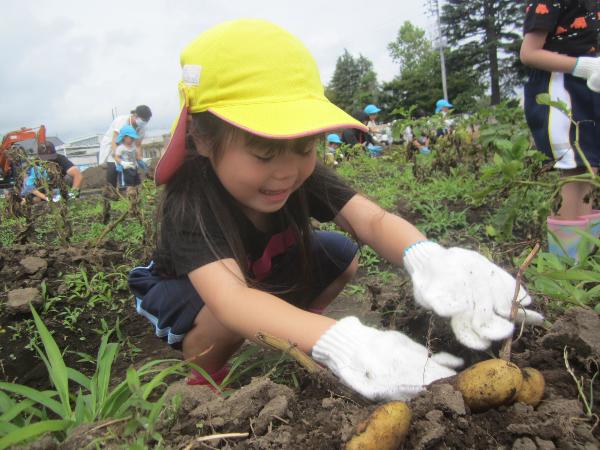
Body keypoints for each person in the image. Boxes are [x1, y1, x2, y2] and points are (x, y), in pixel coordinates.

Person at [128, 19, 543, 401]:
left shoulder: (296, 173)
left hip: (256, 272)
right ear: (202, 139)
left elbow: (372, 221)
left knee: (339, 254)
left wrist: (431, 258)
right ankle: (206, 376)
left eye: (305, 147)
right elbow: (232, 300)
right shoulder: (191, 202)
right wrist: (341, 340)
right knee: (229, 314)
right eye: (264, 152)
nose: (287, 172)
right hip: (195, 296)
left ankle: (293, 332)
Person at [520, 0, 600, 259]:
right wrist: (582, 66)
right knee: (572, 169)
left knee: (590, 167)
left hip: (592, 86)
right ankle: (566, 264)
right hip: (562, 87)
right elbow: (529, 53)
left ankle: (584, 260)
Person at [98, 105, 152, 192]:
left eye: (146, 121)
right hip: (113, 146)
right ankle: (111, 194)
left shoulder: (141, 128)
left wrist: (140, 159)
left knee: (130, 173)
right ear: (135, 115)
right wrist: (119, 159)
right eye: (143, 120)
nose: (144, 122)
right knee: (112, 171)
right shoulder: (122, 121)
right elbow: (115, 141)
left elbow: (138, 145)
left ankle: (129, 193)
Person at [114, 125, 144, 194]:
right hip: (126, 170)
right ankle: (130, 200)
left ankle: (136, 198)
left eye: (133, 138)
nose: (132, 139)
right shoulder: (121, 148)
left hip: (134, 168)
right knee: (128, 186)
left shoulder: (133, 147)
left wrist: (143, 160)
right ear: (124, 137)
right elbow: (116, 157)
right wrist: (122, 163)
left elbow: (136, 157)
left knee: (137, 185)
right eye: (131, 137)